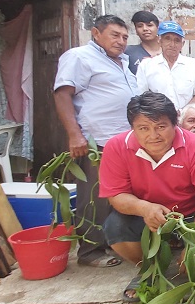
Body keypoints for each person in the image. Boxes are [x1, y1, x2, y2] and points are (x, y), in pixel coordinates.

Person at [99, 91, 195, 301]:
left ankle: (184, 248)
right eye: (143, 128)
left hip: (190, 216)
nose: (153, 135)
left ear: (175, 123)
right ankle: (148, 269)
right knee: (115, 227)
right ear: (132, 127)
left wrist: (194, 243)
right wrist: (144, 208)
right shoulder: (116, 147)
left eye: (161, 127)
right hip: (146, 218)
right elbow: (116, 195)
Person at [53, 14, 138, 268]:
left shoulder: (122, 62)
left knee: (117, 196)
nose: (121, 41)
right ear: (96, 33)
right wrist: (74, 134)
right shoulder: (79, 57)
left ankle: (112, 244)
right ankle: (89, 252)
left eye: (124, 37)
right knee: (94, 196)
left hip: (122, 142)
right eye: (114, 35)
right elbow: (62, 94)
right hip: (96, 142)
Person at [135, 21, 195, 112]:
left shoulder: (193, 65)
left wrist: (182, 113)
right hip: (158, 120)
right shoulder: (146, 66)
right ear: (159, 41)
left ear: (182, 44)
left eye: (177, 40)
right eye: (167, 39)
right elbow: (141, 97)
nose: (172, 44)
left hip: (185, 120)